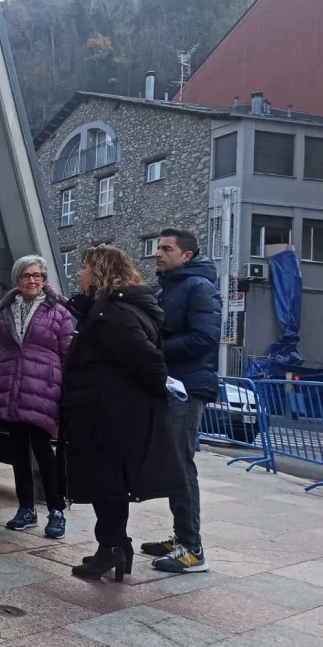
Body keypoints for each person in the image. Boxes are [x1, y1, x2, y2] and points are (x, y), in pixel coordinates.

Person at [62, 246, 184, 581]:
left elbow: (150, 361)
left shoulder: (113, 314)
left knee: (107, 485)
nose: (80, 273)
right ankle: (115, 546)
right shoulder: (112, 309)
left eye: (85, 267)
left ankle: (112, 548)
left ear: (100, 271)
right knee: (109, 485)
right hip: (109, 413)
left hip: (109, 416)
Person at [142, 228, 221, 573]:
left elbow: (205, 339)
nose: (157, 254)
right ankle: (181, 536)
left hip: (187, 387)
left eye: (165, 249)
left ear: (186, 256)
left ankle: (192, 549)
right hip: (172, 384)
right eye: (158, 248)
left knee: (181, 464)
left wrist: (156, 350)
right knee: (173, 463)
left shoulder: (199, 287)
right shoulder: (170, 287)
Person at [0, 255, 73, 538]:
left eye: (37, 275)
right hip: (11, 385)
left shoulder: (58, 311)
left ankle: (56, 510)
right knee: (17, 451)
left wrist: (65, 389)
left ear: (44, 279)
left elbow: (67, 352)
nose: (33, 280)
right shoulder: (4, 309)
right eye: (26, 275)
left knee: (43, 450)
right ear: (17, 279)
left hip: (43, 388)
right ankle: (26, 508)